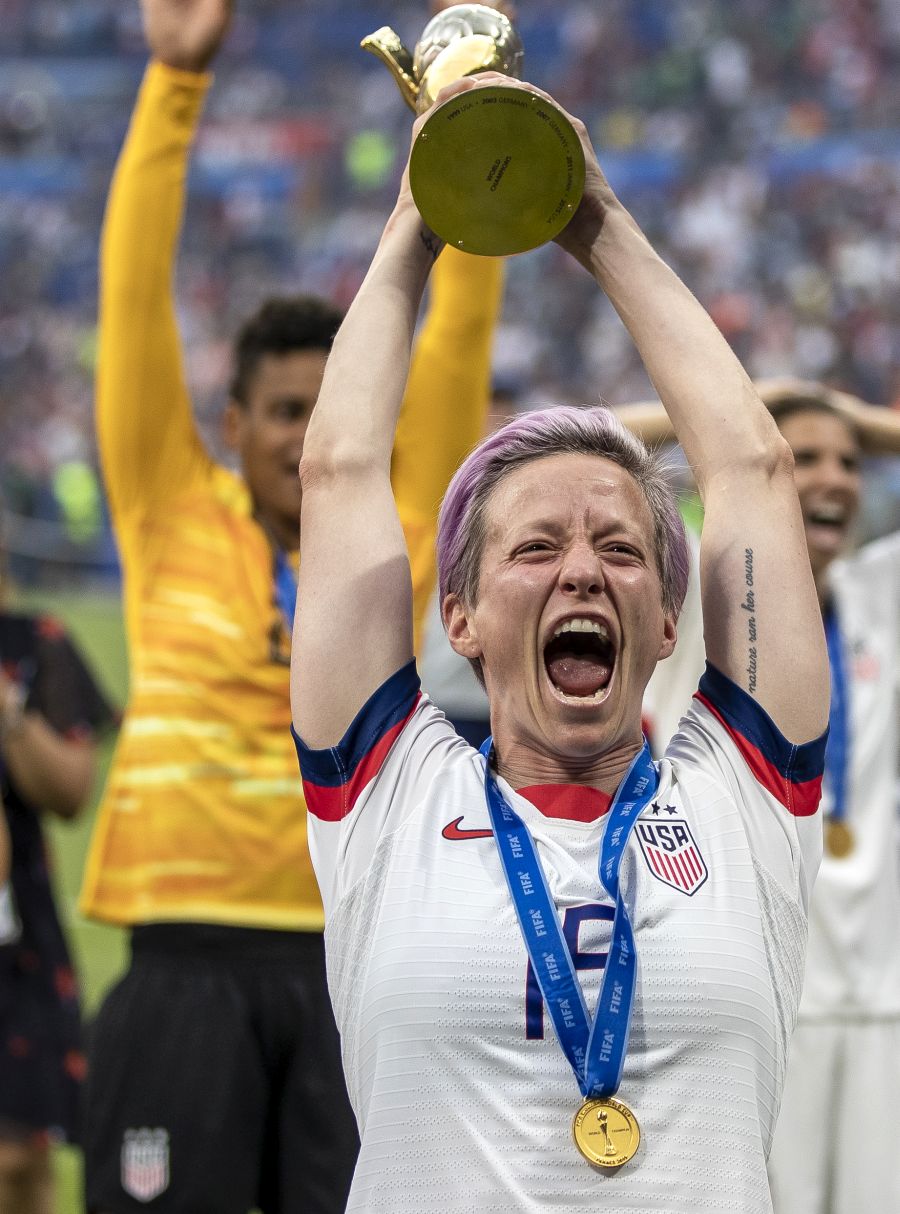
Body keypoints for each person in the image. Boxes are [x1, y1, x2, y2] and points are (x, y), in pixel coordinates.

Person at [290, 73, 829, 1212]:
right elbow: (339, 470)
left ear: (670, 620)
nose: (582, 569)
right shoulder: (386, 797)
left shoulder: (747, 799)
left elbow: (751, 469)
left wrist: (597, 217)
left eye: (622, 549)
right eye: (536, 547)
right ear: (460, 618)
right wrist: (423, 211)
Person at [78, 2, 502, 1212]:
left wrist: (468, 137)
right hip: (181, 954)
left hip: (351, 953)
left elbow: (458, 334)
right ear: (234, 424)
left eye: (331, 409)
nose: (306, 434)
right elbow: (132, 307)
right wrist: (173, 85)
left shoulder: (400, 526)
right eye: (281, 410)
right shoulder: (167, 507)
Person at [617, 381, 900, 1212]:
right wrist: (754, 405)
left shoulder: (880, 595)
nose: (833, 477)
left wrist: (854, 421)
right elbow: (575, 442)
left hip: (882, 993)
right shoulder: (700, 588)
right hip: (746, 984)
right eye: (802, 458)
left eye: (848, 465)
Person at [0, 605, 115, 1214]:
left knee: (20, 1153)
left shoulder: (33, 641)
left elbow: (71, 792)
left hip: (19, 930)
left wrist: (10, 713)